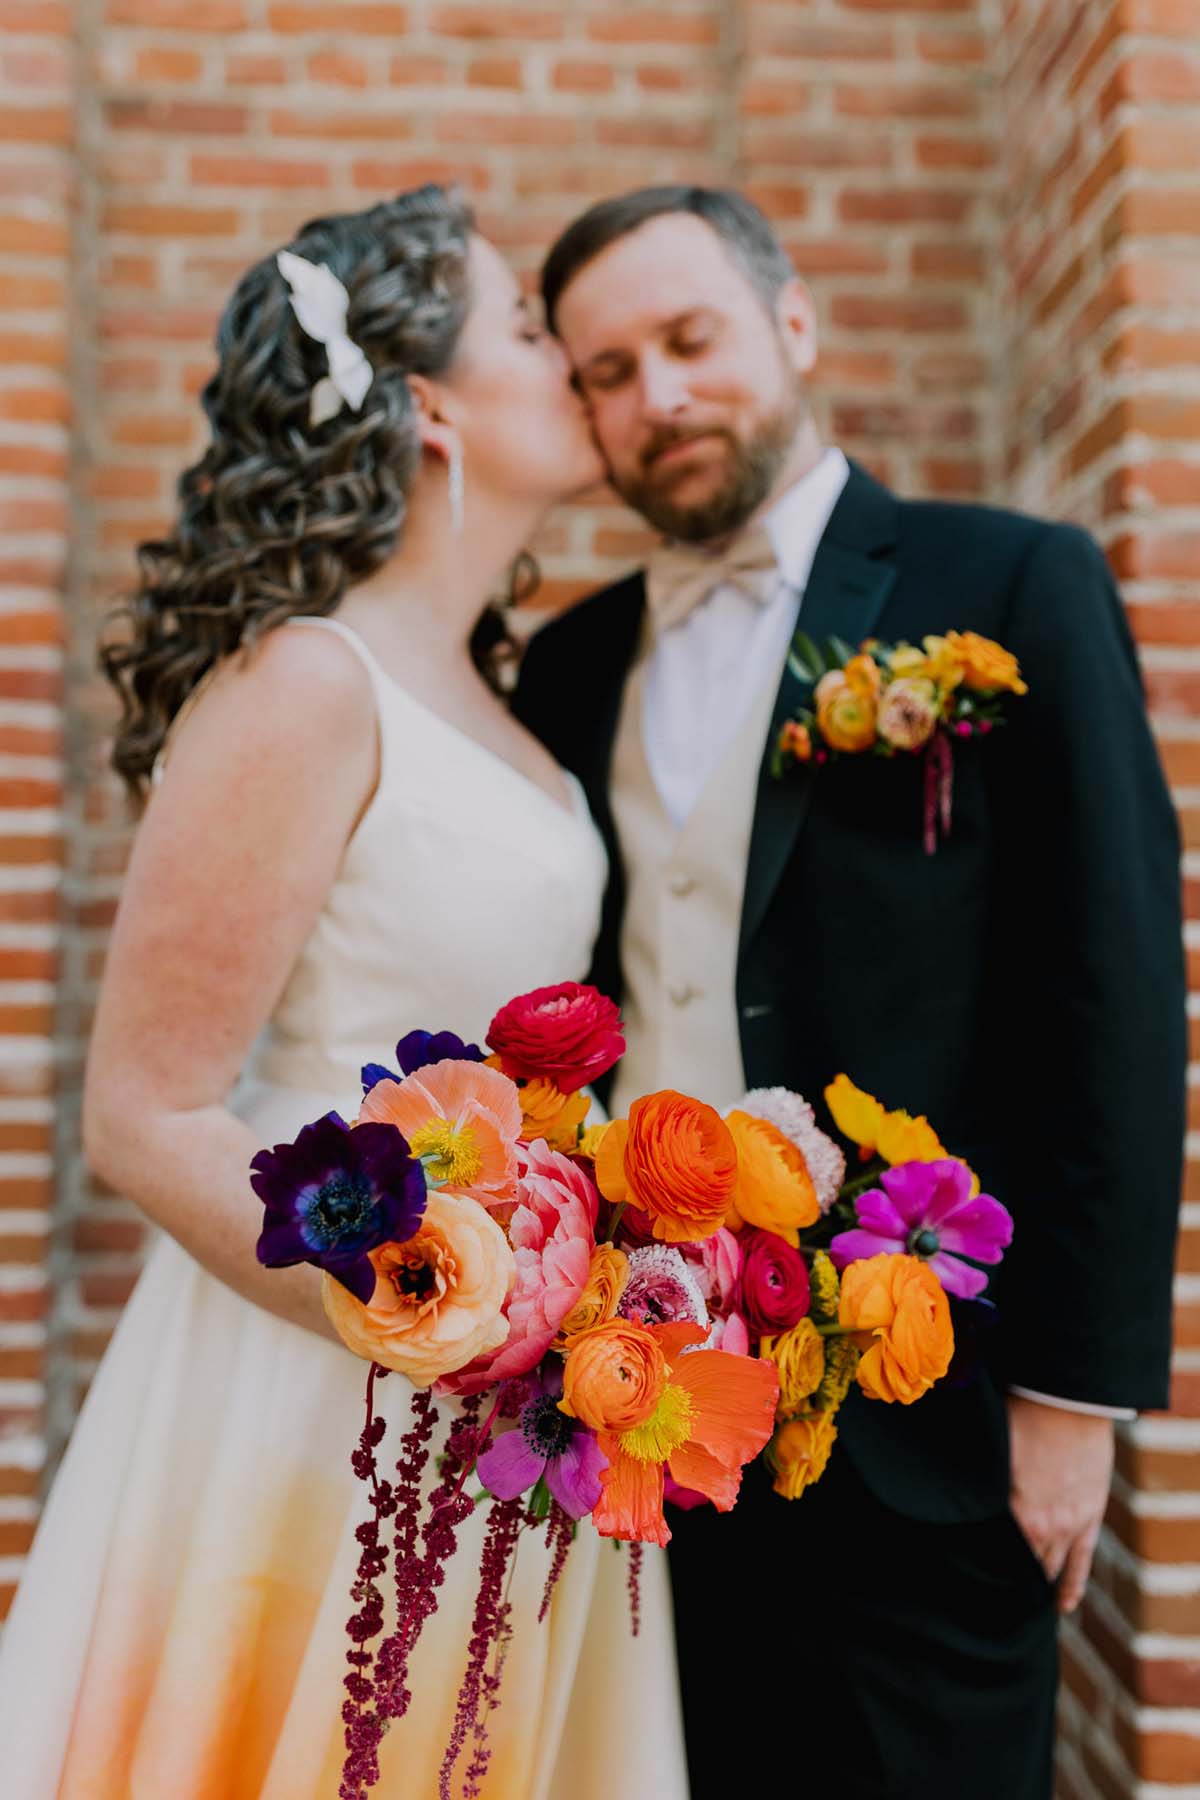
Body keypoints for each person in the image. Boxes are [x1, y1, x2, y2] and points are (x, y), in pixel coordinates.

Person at [0, 186, 688, 1800]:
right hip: (312, 1393)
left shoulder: (509, 707)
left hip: (515, 1408)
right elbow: (144, 1113)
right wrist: (426, 1324)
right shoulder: (310, 681)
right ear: (432, 405)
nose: (572, 362)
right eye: (529, 329)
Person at [513, 184, 1186, 1800]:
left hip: (929, 1413)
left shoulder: (1009, 586)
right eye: (610, 371)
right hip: (653, 1413)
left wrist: (1070, 1402)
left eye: (691, 340)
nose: (658, 396)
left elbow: (1113, 996)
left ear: (792, 325)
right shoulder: (567, 662)